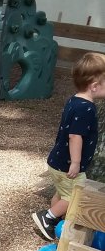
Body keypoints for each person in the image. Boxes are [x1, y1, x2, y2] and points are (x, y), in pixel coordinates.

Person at [32, 51, 105, 240]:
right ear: (94, 86)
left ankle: (56, 219)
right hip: (68, 165)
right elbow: (75, 136)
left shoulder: (74, 100)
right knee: (75, 196)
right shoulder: (86, 108)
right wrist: (76, 162)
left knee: (62, 192)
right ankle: (48, 218)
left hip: (57, 162)